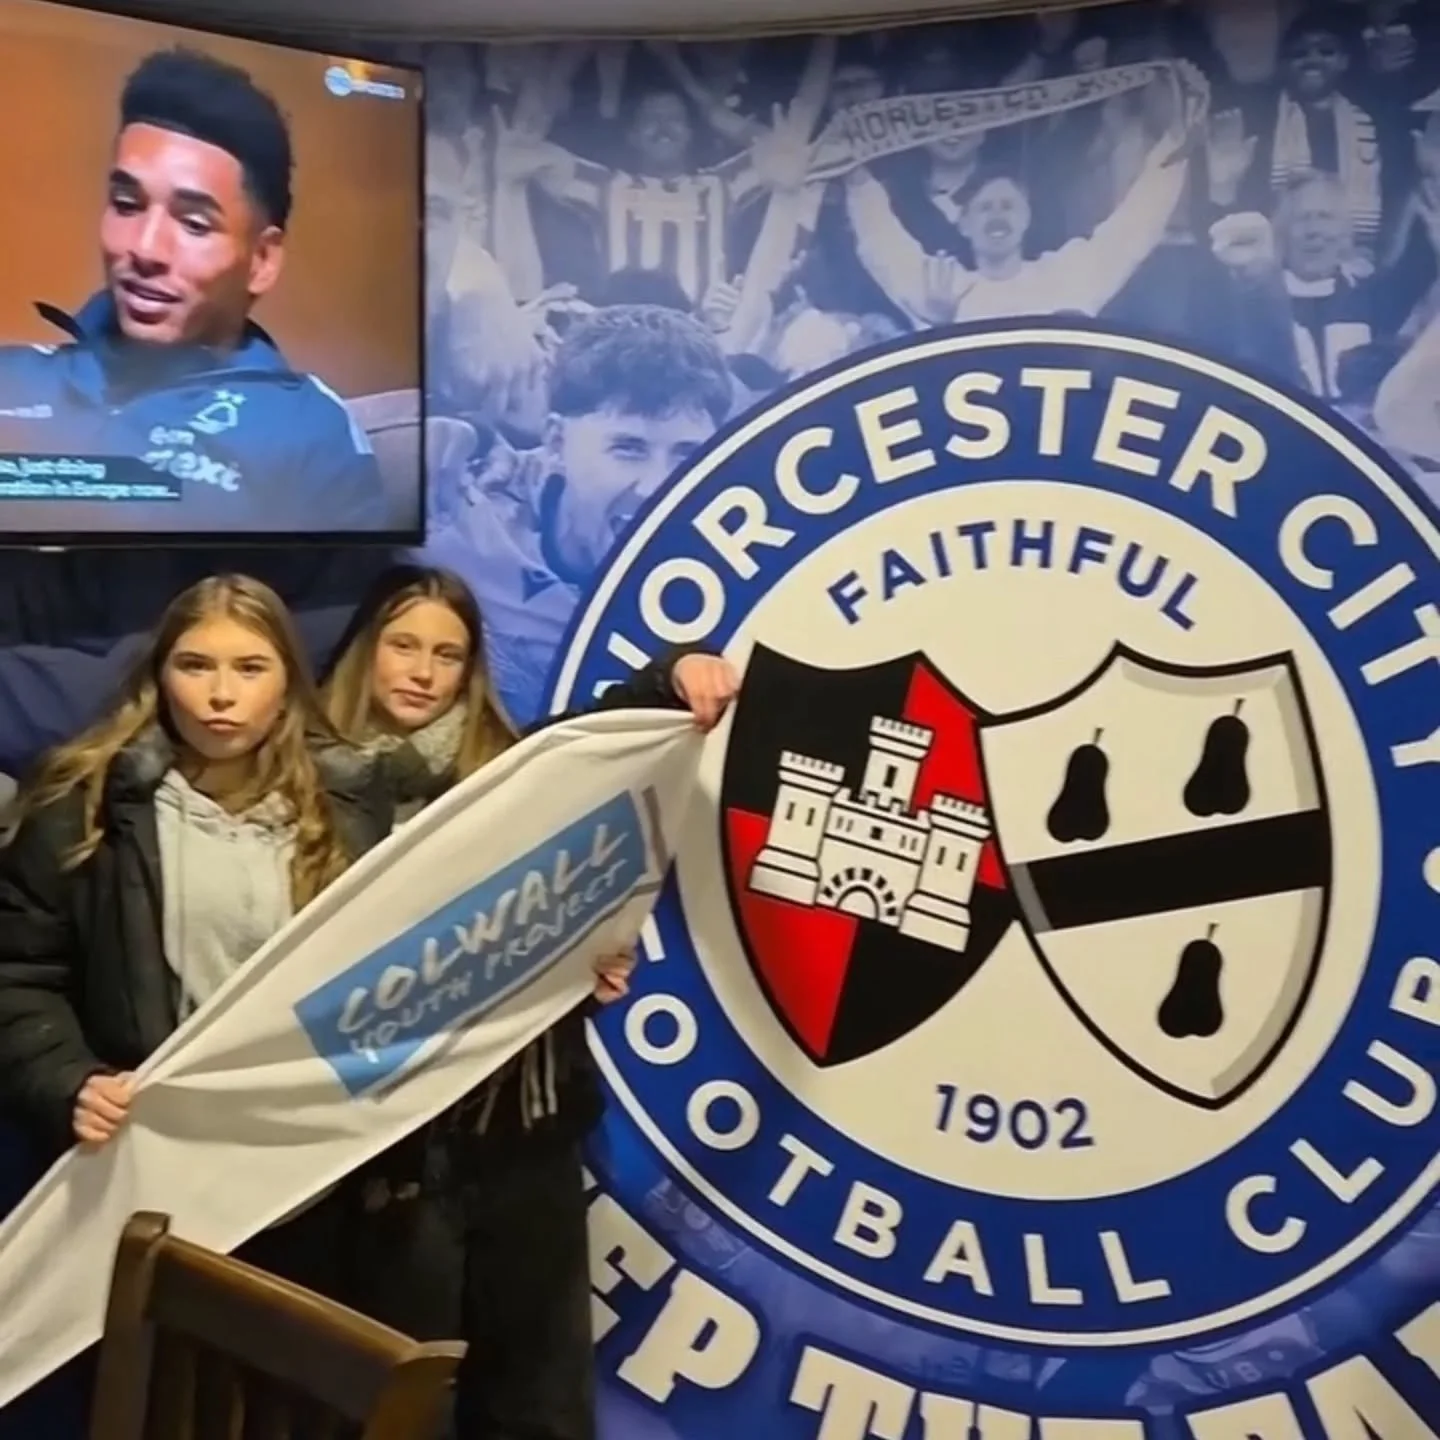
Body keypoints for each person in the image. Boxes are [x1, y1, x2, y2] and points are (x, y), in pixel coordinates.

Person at [320, 564, 739, 1440]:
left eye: (447, 653)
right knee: (393, 1409)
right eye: (402, 645)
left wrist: (680, 672)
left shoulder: (516, 775)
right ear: (363, 650)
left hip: (526, 1139)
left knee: (538, 1406)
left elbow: (617, 726)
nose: (421, 672)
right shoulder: (305, 790)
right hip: (388, 1162)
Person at [0, 573, 387, 1295]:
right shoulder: (79, 802)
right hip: (144, 1172)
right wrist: (67, 1080)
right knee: (142, 1398)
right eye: (196, 665)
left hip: (309, 1175)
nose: (220, 694)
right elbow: (18, 974)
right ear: (160, 675)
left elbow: (414, 960)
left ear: (288, 682)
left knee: (292, 1392)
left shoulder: (351, 804)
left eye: (249, 668)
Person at [0, 47, 388, 536]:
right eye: (126, 204)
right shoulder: (9, 378)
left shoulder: (309, 431)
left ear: (262, 261)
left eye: (194, 223)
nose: (144, 248)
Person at [425, 302, 733, 724]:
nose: (657, 486)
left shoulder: (736, 569)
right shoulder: (455, 498)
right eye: (629, 448)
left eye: (686, 454)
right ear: (555, 442)